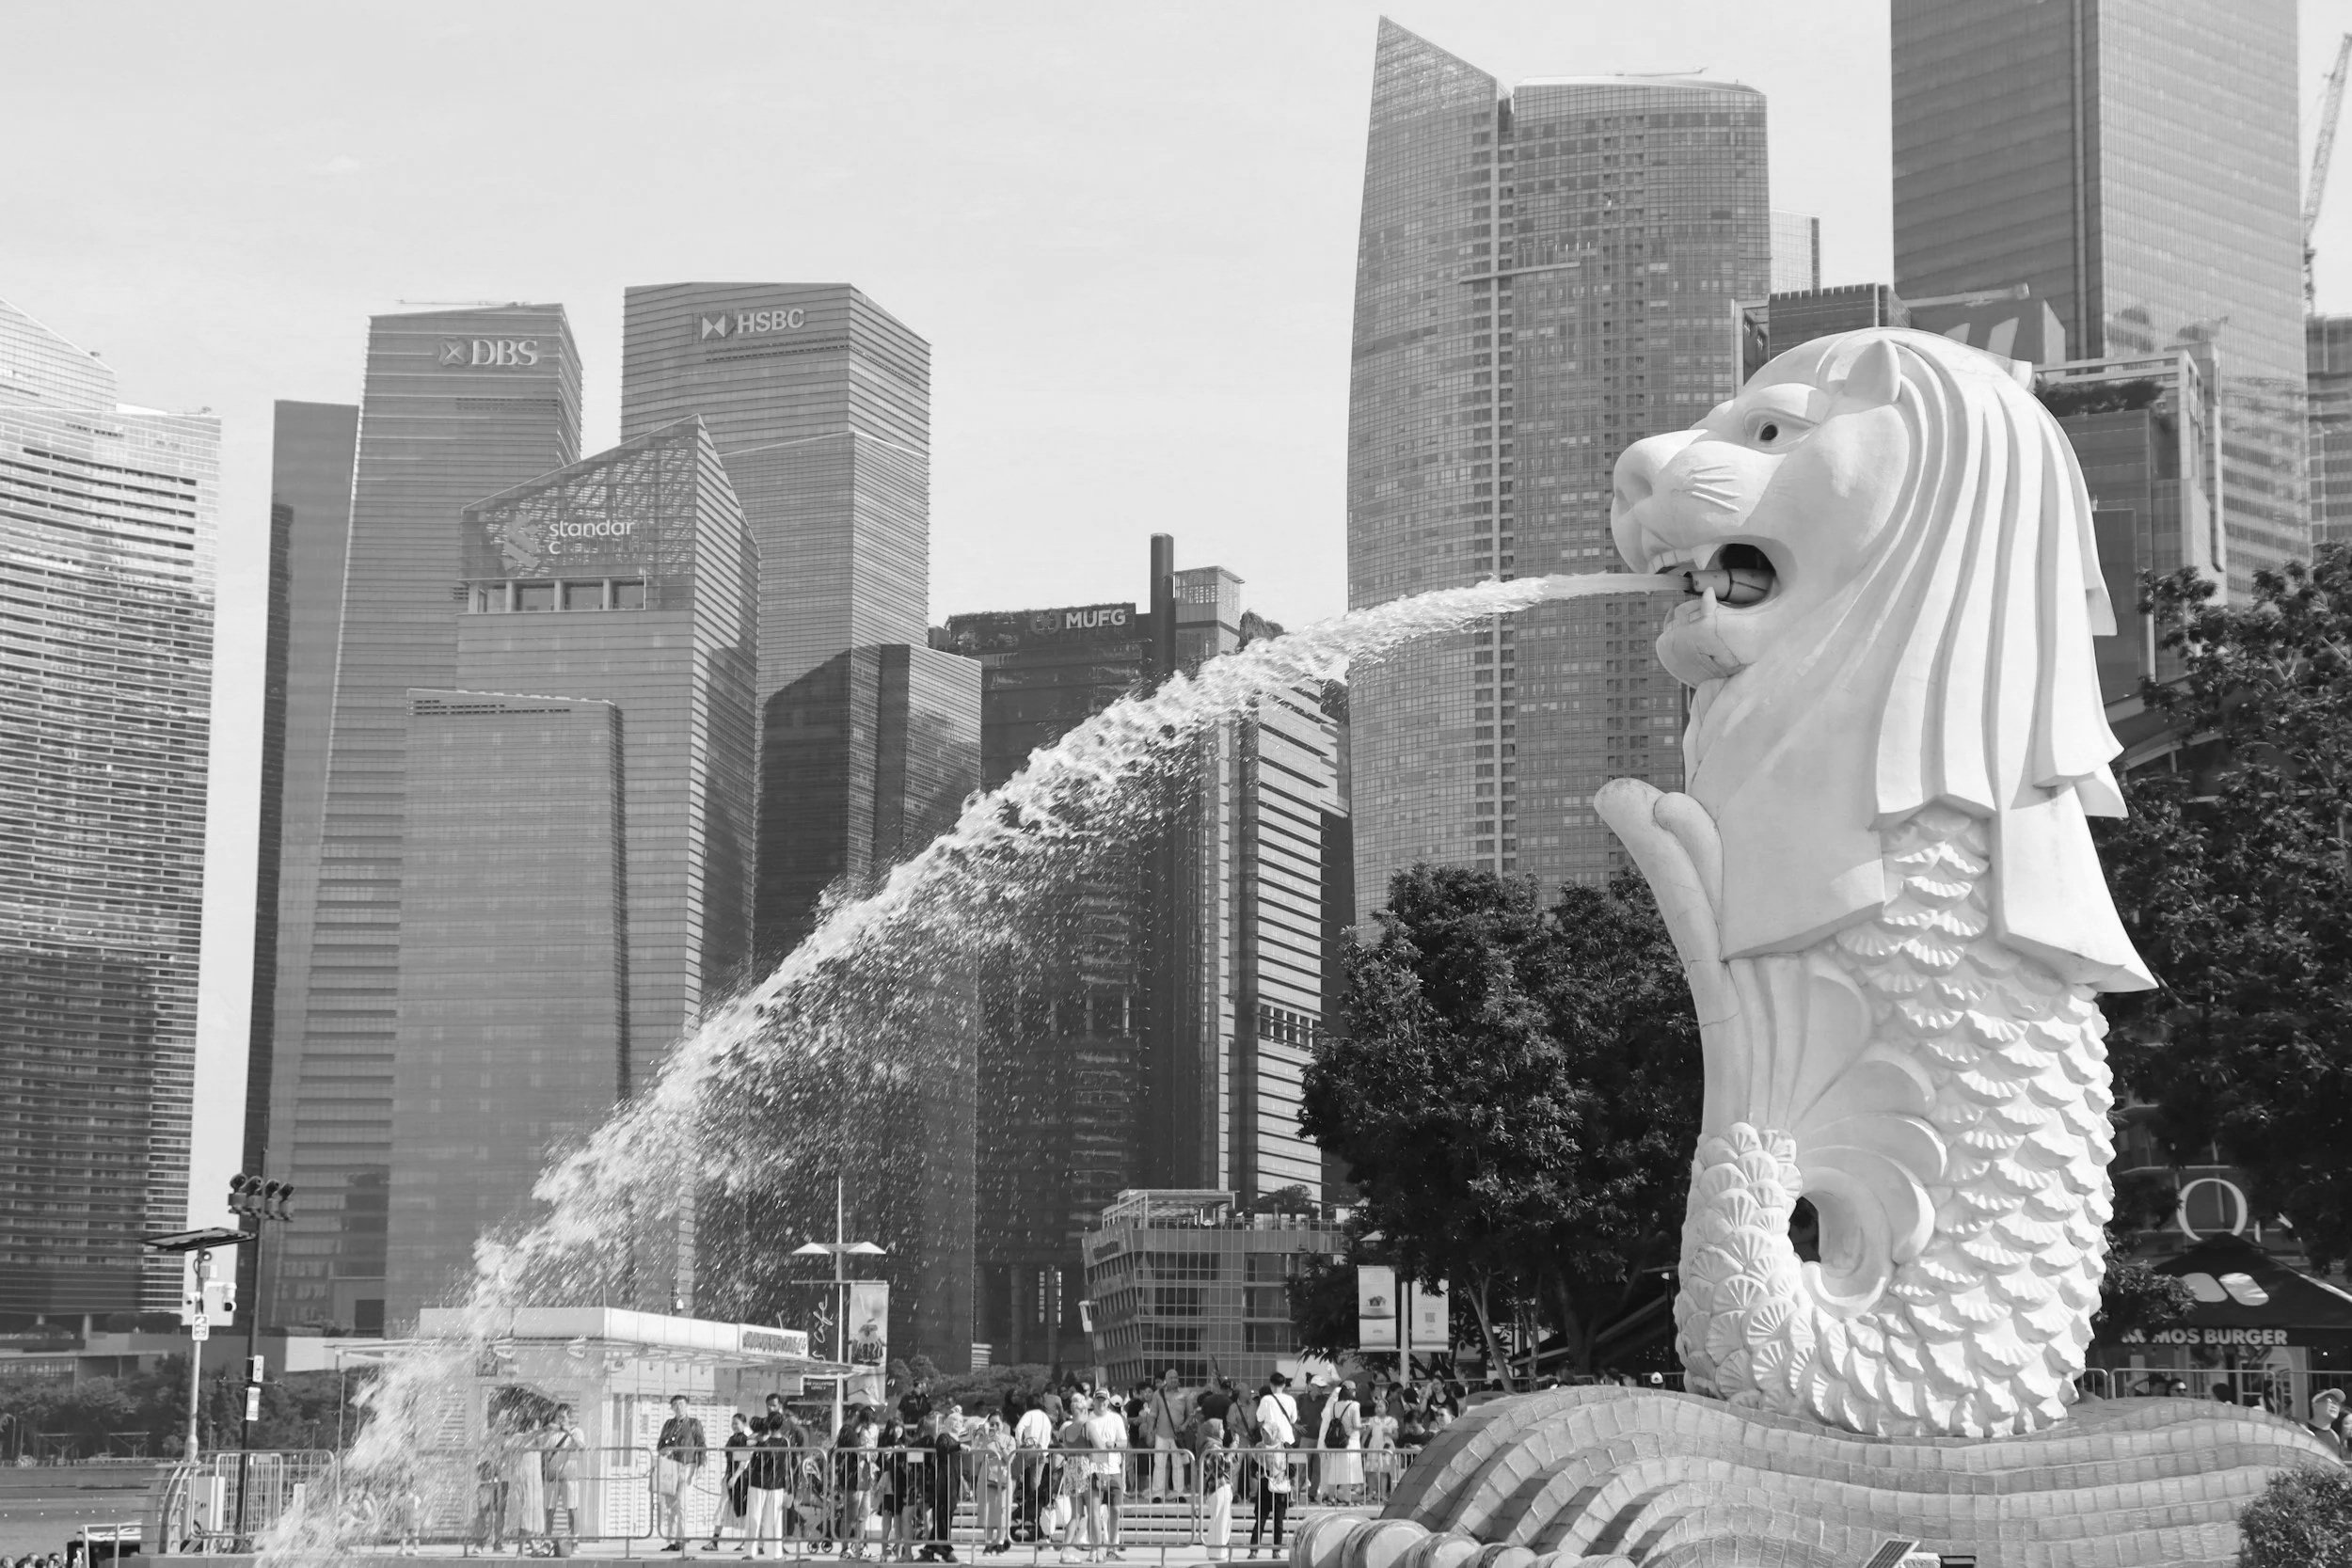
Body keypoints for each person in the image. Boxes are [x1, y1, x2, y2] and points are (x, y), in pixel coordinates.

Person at [654, 1394, 708, 1552]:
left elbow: (701, 1444)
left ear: (686, 1406)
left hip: (687, 1466)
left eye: (682, 1404)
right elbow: (659, 1445)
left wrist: (701, 1464)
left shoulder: (693, 1423)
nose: (679, 1408)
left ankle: (682, 1539)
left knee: (682, 1504)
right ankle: (672, 1540)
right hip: (670, 1466)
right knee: (670, 1506)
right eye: (676, 1405)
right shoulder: (668, 1424)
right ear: (672, 1408)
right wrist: (665, 1449)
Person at [1082, 1390, 1130, 1560]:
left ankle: (1112, 1547)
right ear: (1093, 1401)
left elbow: (1124, 1443)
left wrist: (1114, 1444)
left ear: (1108, 1402)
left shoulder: (1115, 1418)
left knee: (1115, 1509)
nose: (1101, 1402)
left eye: (1104, 1400)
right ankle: (1095, 1549)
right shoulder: (1087, 1419)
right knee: (1093, 1512)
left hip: (1113, 1469)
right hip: (1093, 1470)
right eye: (1098, 1399)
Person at [917, 1407, 964, 1562]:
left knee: (947, 1514)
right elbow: (942, 1449)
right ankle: (945, 1549)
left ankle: (930, 1548)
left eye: (960, 1421)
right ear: (949, 1422)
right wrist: (958, 1447)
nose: (958, 1423)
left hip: (953, 1481)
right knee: (943, 1514)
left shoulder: (957, 1439)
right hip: (944, 1480)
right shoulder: (943, 1437)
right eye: (955, 1420)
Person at [707, 1412, 755, 1552]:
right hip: (730, 1476)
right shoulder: (733, 1438)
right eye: (732, 1423)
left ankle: (746, 1541)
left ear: (743, 1424)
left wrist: (735, 1477)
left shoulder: (743, 1439)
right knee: (722, 1508)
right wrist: (728, 1476)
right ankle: (715, 1541)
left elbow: (743, 1460)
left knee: (743, 1510)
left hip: (740, 1478)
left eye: (737, 1423)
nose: (734, 1426)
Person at [543, 1405, 586, 1544]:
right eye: (558, 1417)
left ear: (570, 1417)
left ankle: (574, 1540)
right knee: (549, 1510)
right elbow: (545, 1450)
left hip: (569, 1476)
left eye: (563, 1417)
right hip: (552, 1476)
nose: (560, 1420)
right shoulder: (553, 1434)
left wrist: (568, 1433)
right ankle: (547, 1540)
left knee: (571, 1510)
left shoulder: (577, 1431)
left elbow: (581, 1446)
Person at [975, 1412, 1016, 1556]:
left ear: (1003, 1424)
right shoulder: (984, 1438)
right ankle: (987, 1543)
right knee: (988, 1510)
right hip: (986, 1477)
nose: (994, 1427)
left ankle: (999, 1542)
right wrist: (983, 1439)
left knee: (1002, 1510)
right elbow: (977, 1458)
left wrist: (999, 1442)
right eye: (991, 1423)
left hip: (1003, 1478)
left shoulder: (1010, 1439)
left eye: (997, 1424)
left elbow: (1009, 1459)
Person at [1246, 1430, 1290, 1559]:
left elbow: (1292, 1468)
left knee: (1278, 1522)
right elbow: (1253, 1468)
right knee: (1260, 1520)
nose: (1264, 1436)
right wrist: (1258, 1473)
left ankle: (1276, 1550)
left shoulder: (1284, 1447)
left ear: (1274, 1433)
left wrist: (1283, 1473)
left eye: (1267, 1433)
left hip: (1279, 1491)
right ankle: (1254, 1550)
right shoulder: (1260, 1448)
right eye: (1263, 1433)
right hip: (1265, 1488)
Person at [1146, 1369, 1188, 1500]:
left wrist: (1185, 1425)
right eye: (1171, 1378)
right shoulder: (1158, 1394)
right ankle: (1157, 1494)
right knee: (1159, 1463)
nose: (1174, 1380)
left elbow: (1190, 1414)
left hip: (1178, 1435)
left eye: (1176, 1377)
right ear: (1166, 1380)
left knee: (1178, 1464)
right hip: (1161, 1434)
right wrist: (1150, 1431)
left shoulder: (1184, 1394)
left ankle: (1178, 1493)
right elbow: (1152, 1414)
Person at [1196, 1418, 1233, 1551]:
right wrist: (1233, 1451)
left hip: (1217, 1488)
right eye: (1221, 1428)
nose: (1223, 1431)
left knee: (1222, 1522)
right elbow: (1221, 1467)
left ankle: (1218, 1551)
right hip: (1218, 1487)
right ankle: (1217, 1551)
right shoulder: (1212, 1447)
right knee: (1220, 1523)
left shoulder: (1211, 1445)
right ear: (1214, 1430)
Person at [1363, 1392, 1397, 1502]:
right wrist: (1362, 1445)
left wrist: (1389, 1434)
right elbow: (1366, 1433)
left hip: (1386, 1447)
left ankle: (1382, 1494)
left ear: (1386, 1408)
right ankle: (1371, 1493)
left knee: (1384, 1471)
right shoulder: (1372, 1420)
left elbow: (1396, 1436)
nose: (1378, 1409)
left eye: (1380, 1406)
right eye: (1377, 1406)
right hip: (1373, 1446)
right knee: (1370, 1471)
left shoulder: (1392, 1421)